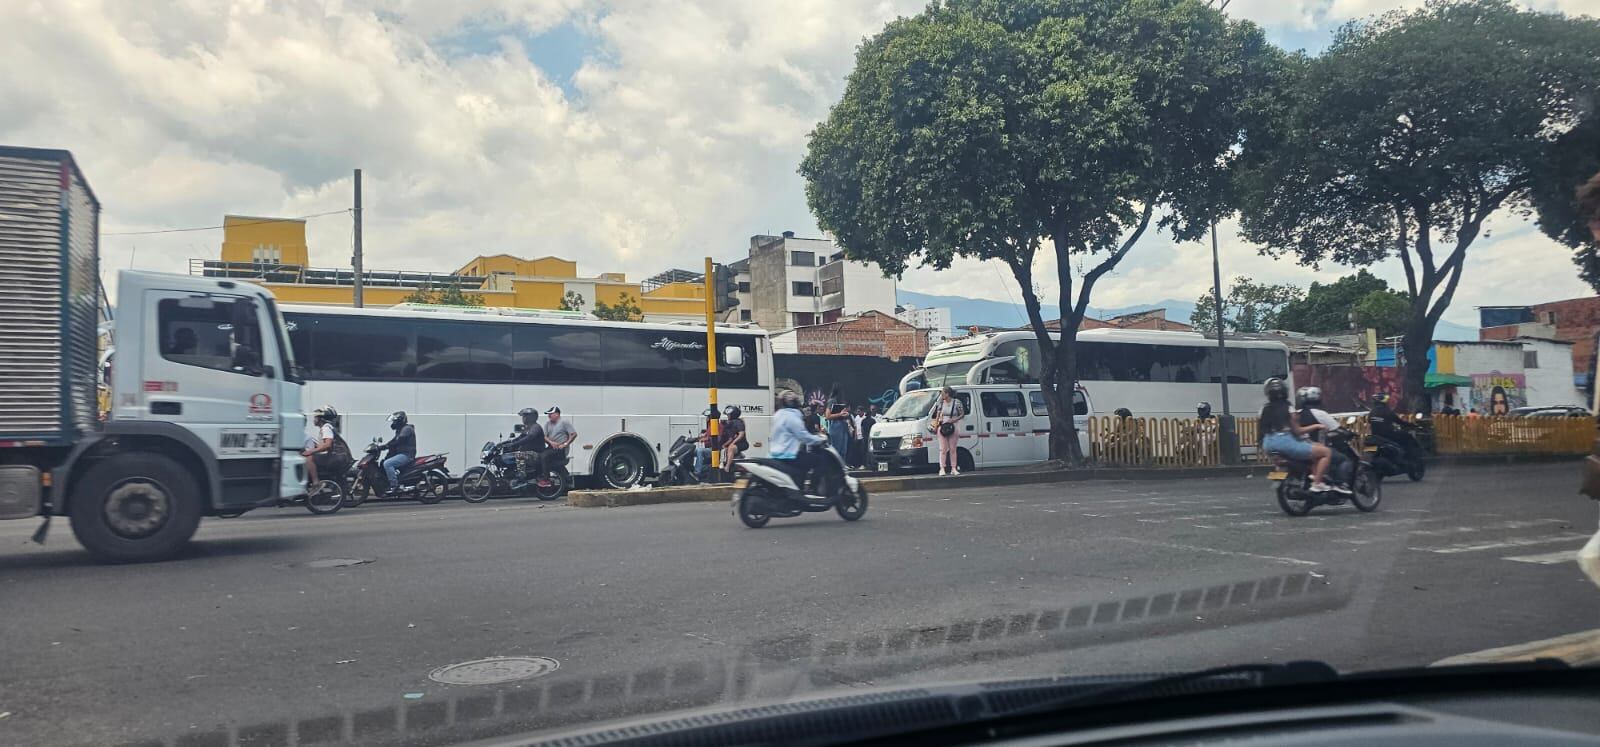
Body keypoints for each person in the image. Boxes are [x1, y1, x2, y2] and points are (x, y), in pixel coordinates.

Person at [1259, 379, 1344, 493]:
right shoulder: (1289, 408)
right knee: (1326, 452)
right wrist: (1316, 426)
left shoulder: (1262, 410)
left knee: (1315, 447)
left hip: (1268, 444)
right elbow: (1298, 431)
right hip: (1287, 443)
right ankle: (1317, 483)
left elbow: (1261, 432)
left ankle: (1311, 475)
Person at [771, 391, 828, 494]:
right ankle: (813, 490)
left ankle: (799, 487)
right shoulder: (792, 417)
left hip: (775, 454)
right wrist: (820, 439)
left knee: (804, 462)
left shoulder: (778, 415)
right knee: (819, 461)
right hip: (789, 454)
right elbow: (803, 436)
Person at [1296, 387, 1350, 488]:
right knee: (1343, 459)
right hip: (1316, 448)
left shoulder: (1296, 413)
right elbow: (1337, 428)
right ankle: (1342, 484)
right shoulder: (1320, 414)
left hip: (1298, 448)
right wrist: (1347, 433)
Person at [302, 406, 350, 488]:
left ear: (321, 419)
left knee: (309, 457)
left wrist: (311, 451)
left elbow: (327, 445)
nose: (314, 419)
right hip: (337, 456)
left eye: (316, 417)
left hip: (335, 457)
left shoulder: (326, 428)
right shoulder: (326, 428)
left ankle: (315, 481)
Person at [1368, 393, 1421, 462]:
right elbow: (1399, 421)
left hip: (1375, 436)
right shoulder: (1387, 411)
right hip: (1389, 435)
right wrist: (1412, 425)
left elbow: (1369, 421)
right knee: (1408, 437)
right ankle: (1409, 457)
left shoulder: (1372, 412)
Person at [502, 407, 547, 486]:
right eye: (523, 416)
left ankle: (521, 477)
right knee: (510, 455)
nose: (523, 418)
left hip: (536, 454)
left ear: (531, 417)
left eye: (525, 416)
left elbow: (530, 437)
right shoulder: (528, 428)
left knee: (519, 455)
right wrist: (507, 443)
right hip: (530, 453)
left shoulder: (535, 427)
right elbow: (520, 438)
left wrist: (515, 444)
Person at [379, 411, 417, 495]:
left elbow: (399, 441)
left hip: (407, 455)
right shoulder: (400, 430)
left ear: (400, 421)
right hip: (401, 454)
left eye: (395, 421)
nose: (393, 423)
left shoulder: (406, 429)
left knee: (387, 464)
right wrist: (383, 446)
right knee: (384, 462)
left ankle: (394, 486)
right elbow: (394, 440)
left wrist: (385, 446)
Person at [931, 386, 965, 476]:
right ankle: (942, 468)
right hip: (942, 427)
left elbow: (962, 414)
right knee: (943, 449)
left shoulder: (957, 402)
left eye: (943, 393)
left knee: (953, 448)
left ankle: (953, 468)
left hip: (953, 426)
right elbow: (937, 415)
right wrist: (935, 425)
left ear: (947, 394)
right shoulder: (941, 403)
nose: (942, 395)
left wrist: (953, 420)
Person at [542, 406, 577, 475]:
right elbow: (544, 436)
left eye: (551, 414)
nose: (549, 416)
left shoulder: (564, 422)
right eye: (548, 414)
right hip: (551, 448)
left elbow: (573, 434)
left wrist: (565, 444)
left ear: (557, 414)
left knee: (544, 456)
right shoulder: (548, 424)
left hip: (561, 449)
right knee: (538, 455)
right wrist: (551, 442)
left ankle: (546, 478)